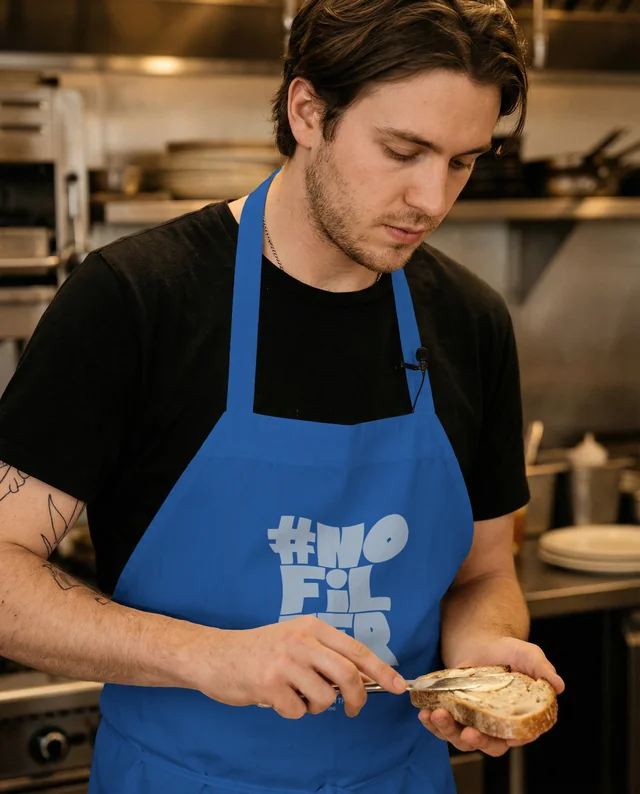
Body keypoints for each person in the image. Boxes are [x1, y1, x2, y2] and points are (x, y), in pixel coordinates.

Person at [0, 0, 565, 792]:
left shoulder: (469, 322)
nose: (432, 200)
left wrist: (482, 653)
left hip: (400, 777)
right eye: (403, 150)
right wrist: (209, 655)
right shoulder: (136, 301)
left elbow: (483, 574)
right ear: (308, 111)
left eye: (464, 162)